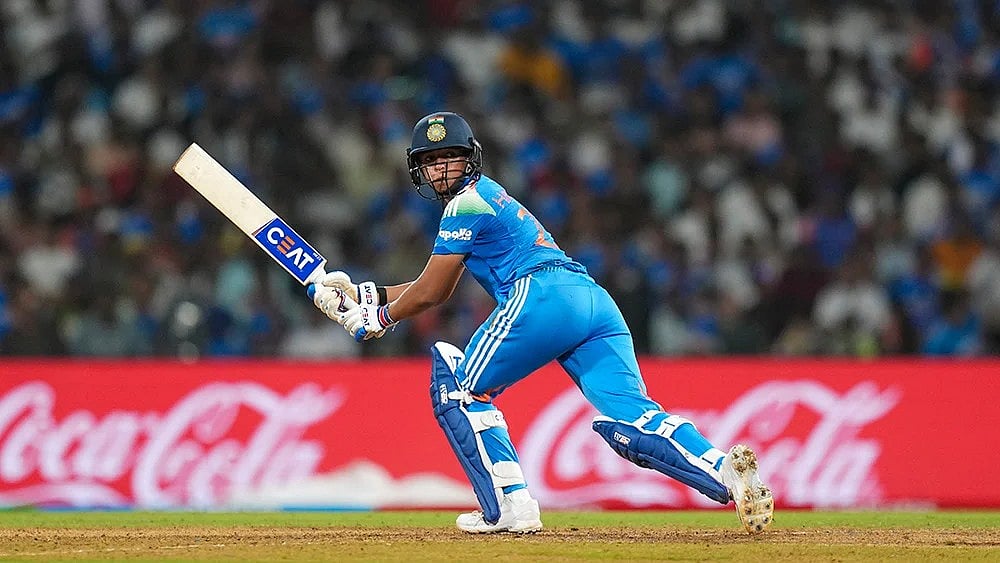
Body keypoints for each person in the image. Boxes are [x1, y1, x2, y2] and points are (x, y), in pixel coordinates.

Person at [308, 112, 774, 534]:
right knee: (634, 416)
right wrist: (366, 295)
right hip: (592, 301)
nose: (442, 169)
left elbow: (431, 292)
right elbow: (438, 284)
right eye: (433, 161)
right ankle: (725, 472)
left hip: (541, 296)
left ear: (470, 161)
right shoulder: (486, 199)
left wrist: (380, 319)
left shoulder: (464, 205)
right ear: (420, 169)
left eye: (449, 158)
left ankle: (508, 507)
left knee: (460, 389)